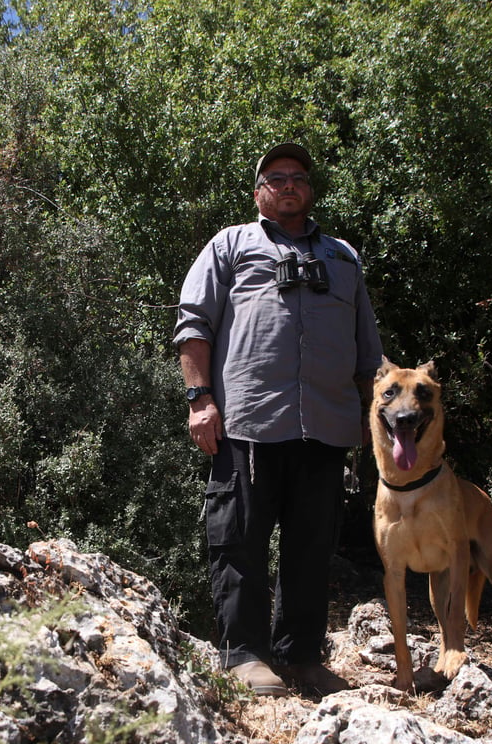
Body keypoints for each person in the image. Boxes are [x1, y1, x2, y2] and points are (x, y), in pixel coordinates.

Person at [174, 142, 383, 697]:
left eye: (298, 177)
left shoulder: (344, 258)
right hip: (247, 423)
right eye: (276, 177)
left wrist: (372, 414)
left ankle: (302, 655)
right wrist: (200, 400)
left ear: (310, 190)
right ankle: (243, 654)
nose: (288, 184)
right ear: (259, 192)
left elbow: (368, 352)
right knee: (239, 540)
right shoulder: (229, 245)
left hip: (327, 425)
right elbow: (193, 325)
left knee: (313, 545)